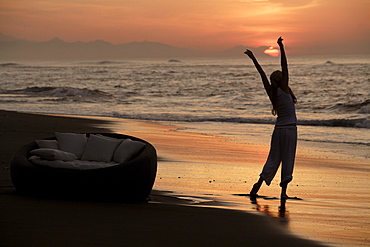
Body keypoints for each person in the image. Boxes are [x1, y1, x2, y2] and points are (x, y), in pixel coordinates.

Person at [244, 37, 297, 200]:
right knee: (287, 159)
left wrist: (253, 58)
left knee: (273, 158)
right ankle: (283, 192)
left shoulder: (272, 93)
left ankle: (257, 185)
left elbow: (262, 75)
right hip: (290, 129)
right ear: (281, 80)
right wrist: (281, 46)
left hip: (278, 130)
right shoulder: (284, 89)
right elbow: (285, 65)